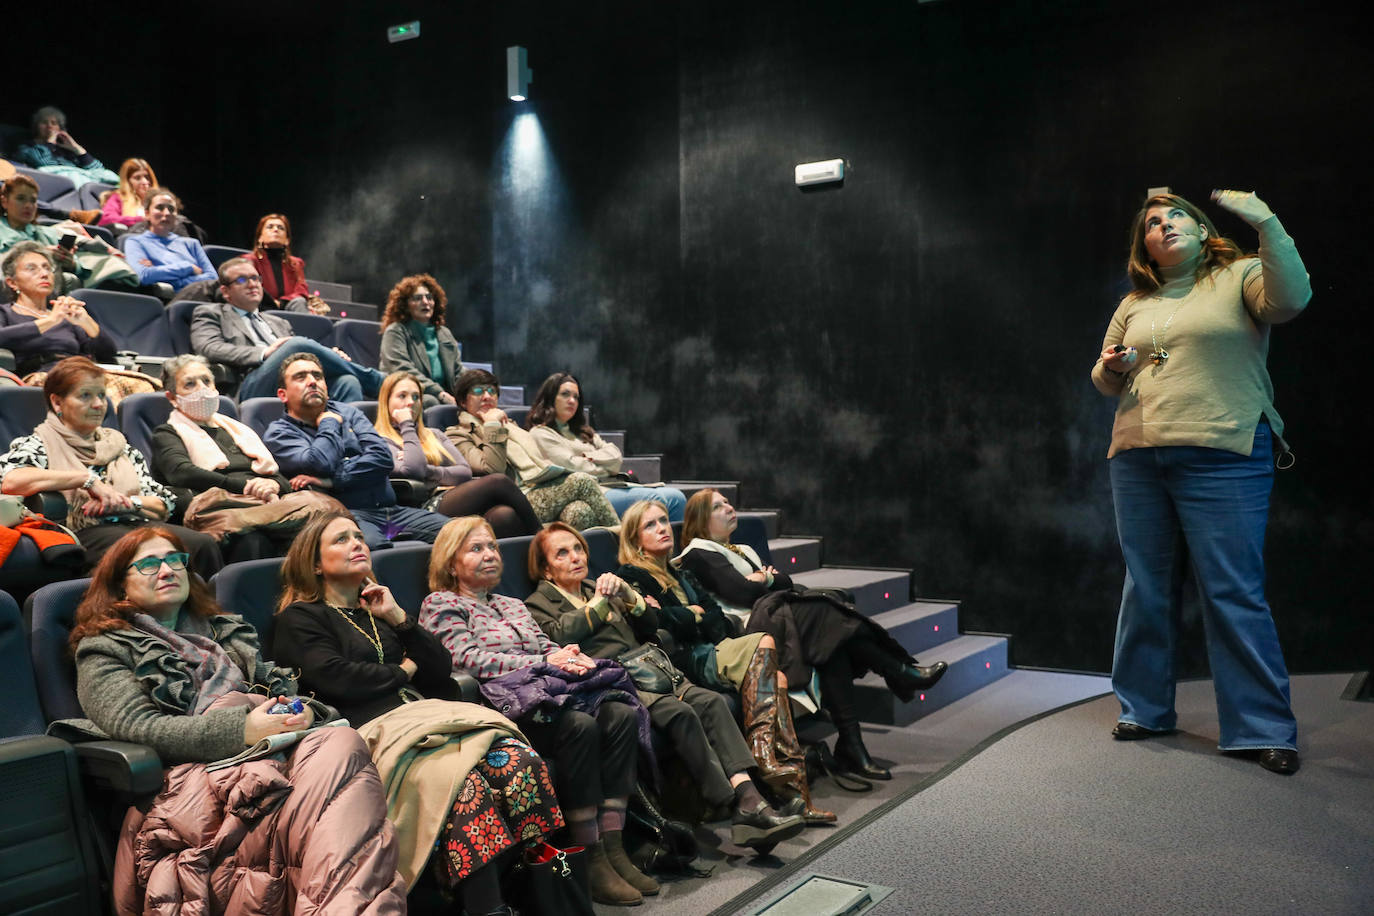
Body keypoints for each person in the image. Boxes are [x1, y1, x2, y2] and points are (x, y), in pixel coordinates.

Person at [424, 520, 804, 875]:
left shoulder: (511, 604)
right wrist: (549, 656)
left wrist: (568, 655)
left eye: (492, 546)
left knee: (624, 713)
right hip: (508, 703)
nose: (490, 553)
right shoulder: (442, 604)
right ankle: (593, 857)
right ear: (452, 563)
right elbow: (466, 658)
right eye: (476, 548)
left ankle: (615, 847)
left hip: (559, 688)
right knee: (585, 723)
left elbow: (550, 642)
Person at [68, 526, 407, 913]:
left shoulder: (222, 632)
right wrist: (242, 729)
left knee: (339, 753)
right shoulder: (104, 647)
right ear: (120, 586)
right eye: (148, 564)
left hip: (270, 752)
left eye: (174, 560)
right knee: (342, 764)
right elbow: (140, 726)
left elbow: (281, 691)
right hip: (192, 773)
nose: (166, 570)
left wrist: (304, 711)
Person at [1091, 189, 1311, 775]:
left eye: (1174, 217)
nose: (1163, 226)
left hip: (1224, 451)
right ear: (1145, 248)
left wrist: (1266, 220)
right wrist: (1112, 366)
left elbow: (1291, 300)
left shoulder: (1240, 275)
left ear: (1200, 225)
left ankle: (1260, 727)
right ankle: (1145, 709)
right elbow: (1104, 376)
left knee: (1232, 590)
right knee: (1146, 587)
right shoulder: (1135, 301)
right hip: (1138, 457)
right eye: (1153, 225)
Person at [272, 512, 563, 914]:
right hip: (368, 736)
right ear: (316, 564)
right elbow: (339, 679)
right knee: (466, 789)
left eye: (359, 536)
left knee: (520, 762)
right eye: (341, 540)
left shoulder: (377, 610)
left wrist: (398, 618)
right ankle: (487, 908)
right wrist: (405, 670)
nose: (357, 543)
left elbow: (440, 667)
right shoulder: (300, 618)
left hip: (426, 720)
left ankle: (541, 894)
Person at [526, 522, 834, 824]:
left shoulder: (600, 585)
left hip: (655, 667)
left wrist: (631, 599)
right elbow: (559, 634)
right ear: (547, 569)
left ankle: (750, 793)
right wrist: (597, 605)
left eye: (578, 549)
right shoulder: (539, 603)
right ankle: (734, 803)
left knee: (712, 702)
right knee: (680, 712)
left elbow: (649, 626)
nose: (576, 557)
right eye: (562, 553)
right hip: (618, 683)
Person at [628, 493, 944, 782]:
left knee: (830, 640)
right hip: (749, 628)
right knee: (825, 611)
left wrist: (764, 578)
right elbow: (740, 592)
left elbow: (783, 580)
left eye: (728, 502)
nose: (729, 508)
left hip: (774, 617)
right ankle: (898, 670)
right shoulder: (699, 552)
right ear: (700, 519)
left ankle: (853, 743)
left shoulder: (743, 550)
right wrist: (767, 579)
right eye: (718, 506)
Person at [0, 357, 223, 577]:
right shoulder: (39, 443)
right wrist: (86, 480)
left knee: (203, 544)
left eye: (101, 395)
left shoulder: (120, 446)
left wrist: (127, 503)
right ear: (57, 402)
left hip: (135, 523)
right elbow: (11, 481)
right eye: (85, 395)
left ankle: (206, 612)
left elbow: (162, 504)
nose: (98, 404)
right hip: (83, 531)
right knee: (143, 551)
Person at [150, 354, 342, 563]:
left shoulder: (238, 430)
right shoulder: (167, 433)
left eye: (206, 381)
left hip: (264, 500)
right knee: (253, 540)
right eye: (190, 384)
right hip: (223, 506)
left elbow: (279, 479)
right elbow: (182, 472)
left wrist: (271, 486)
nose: (202, 389)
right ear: (172, 397)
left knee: (327, 525)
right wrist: (247, 486)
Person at [263, 353, 449, 548]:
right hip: (342, 516)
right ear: (282, 395)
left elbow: (382, 457)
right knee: (373, 548)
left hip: (391, 512)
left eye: (317, 376)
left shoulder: (348, 412)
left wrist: (333, 481)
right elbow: (319, 462)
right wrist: (328, 423)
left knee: (459, 533)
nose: (312, 382)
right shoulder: (279, 434)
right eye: (301, 377)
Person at [190, 256, 384, 401]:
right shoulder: (209, 313)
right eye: (242, 280)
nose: (252, 284)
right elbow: (208, 348)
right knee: (295, 344)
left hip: (294, 380)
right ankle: (379, 383)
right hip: (251, 382)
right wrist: (265, 352)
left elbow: (298, 357)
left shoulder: (278, 322)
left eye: (256, 278)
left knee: (347, 382)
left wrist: (326, 356)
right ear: (225, 291)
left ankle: (350, 445)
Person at [445, 368, 619, 530]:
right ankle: (623, 544)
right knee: (582, 481)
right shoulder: (457, 435)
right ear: (462, 401)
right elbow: (492, 469)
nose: (487, 396)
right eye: (478, 391)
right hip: (514, 499)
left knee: (579, 512)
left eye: (491, 391)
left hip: (538, 488)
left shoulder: (511, 427)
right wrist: (492, 425)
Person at [373, 371, 540, 536]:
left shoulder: (435, 434)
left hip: (451, 497)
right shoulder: (378, 440)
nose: (411, 403)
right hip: (420, 507)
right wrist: (407, 425)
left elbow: (463, 472)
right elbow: (414, 470)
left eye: (416, 397)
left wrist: (429, 470)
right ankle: (541, 535)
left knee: (504, 516)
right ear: (385, 401)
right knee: (498, 481)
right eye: (402, 396)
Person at [526, 372, 687, 520]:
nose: (572, 401)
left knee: (676, 496)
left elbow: (616, 457)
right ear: (550, 398)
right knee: (656, 501)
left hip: (612, 485)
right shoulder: (541, 433)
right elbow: (573, 468)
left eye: (576, 397)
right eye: (565, 394)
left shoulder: (583, 432)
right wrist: (605, 467)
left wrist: (589, 459)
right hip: (592, 493)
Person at [1, 174, 134, 292]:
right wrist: (40, 254)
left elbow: (75, 266)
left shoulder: (48, 233)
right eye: (21, 198)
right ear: (4, 201)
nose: (28, 205)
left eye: (33, 201)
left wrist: (71, 263)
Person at [0, 242, 115, 376]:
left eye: (47, 268)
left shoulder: (65, 316)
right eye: (31, 268)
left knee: (140, 386)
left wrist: (85, 321)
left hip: (80, 374)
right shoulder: (5, 312)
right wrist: (50, 321)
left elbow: (109, 353)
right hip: (41, 377)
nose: (44, 274)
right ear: (12, 283)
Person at [379, 273, 461, 406]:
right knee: (430, 401)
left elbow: (458, 371)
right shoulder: (396, 331)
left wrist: (473, 390)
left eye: (429, 297)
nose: (425, 302)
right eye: (417, 298)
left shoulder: (444, 333)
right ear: (405, 305)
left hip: (444, 396)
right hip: (407, 394)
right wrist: (440, 393)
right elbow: (402, 370)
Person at [13, 106, 118, 208]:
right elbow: (46, 164)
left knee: (110, 177)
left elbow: (98, 169)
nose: (49, 126)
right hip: (55, 183)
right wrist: (50, 143)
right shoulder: (28, 148)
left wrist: (77, 149)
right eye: (44, 122)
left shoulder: (66, 151)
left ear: (60, 128)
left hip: (81, 180)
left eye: (54, 123)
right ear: (36, 126)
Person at [123, 188, 215, 294]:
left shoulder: (192, 244)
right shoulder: (135, 242)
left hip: (200, 296)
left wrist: (176, 282)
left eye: (171, 209)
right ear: (147, 214)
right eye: (160, 208)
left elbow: (212, 278)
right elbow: (144, 275)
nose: (166, 213)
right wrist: (188, 267)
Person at [248, 213, 330, 314]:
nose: (276, 230)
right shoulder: (250, 260)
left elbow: (301, 289)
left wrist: (282, 302)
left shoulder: (295, 263)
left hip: (288, 307)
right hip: (261, 305)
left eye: (281, 228)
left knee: (299, 302)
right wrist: (272, 302)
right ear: (260, 238)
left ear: (287, 240)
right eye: (270, 227)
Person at [97, 158, 156, 229]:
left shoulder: (160, 198)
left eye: (147, 177)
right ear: (127, 181)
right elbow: (105, 219)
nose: (145, 182)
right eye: (137, 178)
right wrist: (141, 219)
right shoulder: (119, 198)